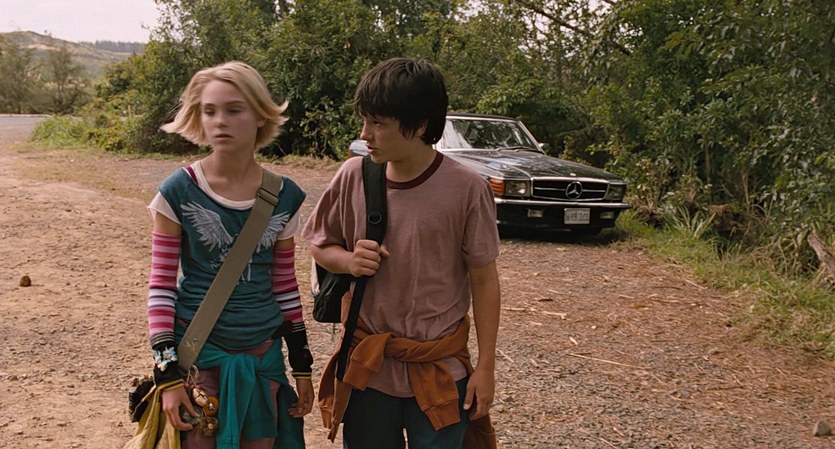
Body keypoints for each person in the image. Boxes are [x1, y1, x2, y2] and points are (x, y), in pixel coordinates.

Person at [302, 57, 501, 449]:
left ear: (420, 125)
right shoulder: (353, 176)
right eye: (364, 121)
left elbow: (484, 280)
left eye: (378, 123)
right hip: (368, 371)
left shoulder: (467, 189)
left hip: (440, 369)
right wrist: (349, 261)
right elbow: (319, 245)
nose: (365, 134)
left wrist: (486, 367)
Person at [146, 60, 313, 449]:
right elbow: (161, 286)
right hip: (199, 359)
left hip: (263, 360)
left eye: (234, 110)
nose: (219, 121)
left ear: (260, 115)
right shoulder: (177, 192)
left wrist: (301, 366)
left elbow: (285, 286)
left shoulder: (285, 196)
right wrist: (168, 376)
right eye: (210, 111)